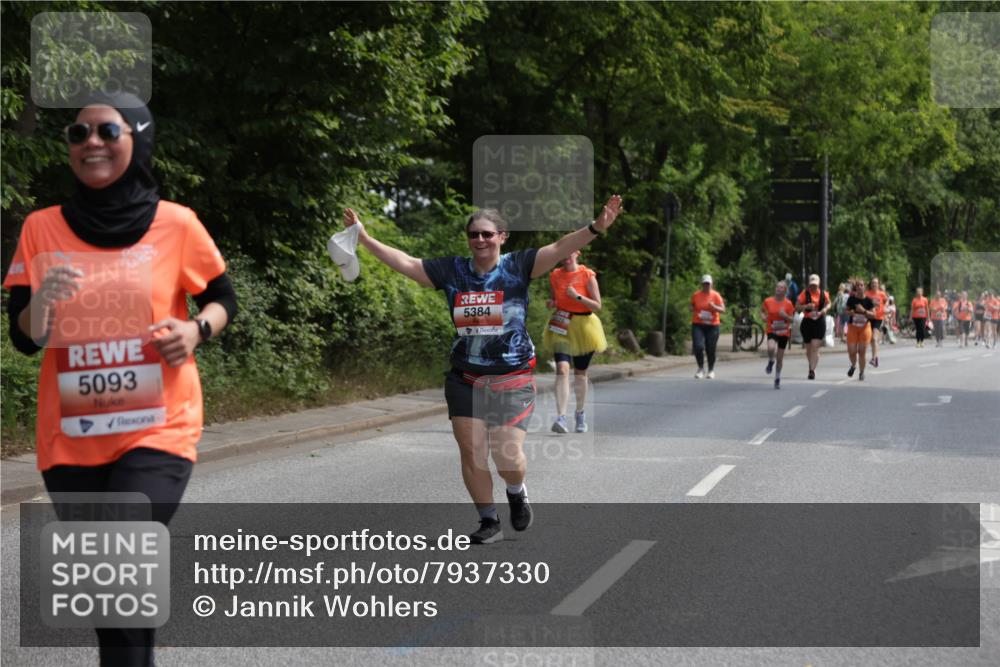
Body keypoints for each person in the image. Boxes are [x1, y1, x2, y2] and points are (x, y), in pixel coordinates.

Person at [3, 94, 237, 667]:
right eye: (78, 133)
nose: (91, 142)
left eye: (108, 129)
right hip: (71, 438)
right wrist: (45, 305)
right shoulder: (41, 229)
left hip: (158, 427)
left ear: (138, 139)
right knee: (112, 597)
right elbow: (23, 334)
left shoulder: (175, 224)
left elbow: (221, 298)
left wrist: (196, 329)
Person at [342, 195, 623, 544]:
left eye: (487, 234)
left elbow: (561, 246)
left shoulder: (519, 265)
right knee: (472, 452)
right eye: (474, 234)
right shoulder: (452, 270)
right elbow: (406, 263)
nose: (480, 240)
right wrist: (365, 239)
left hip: (513, 376)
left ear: (502, 236)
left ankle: (516, 491)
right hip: (466, 377)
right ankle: (488, 521)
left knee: (507, 456)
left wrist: (596, 227)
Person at [542, 250, 607, 434]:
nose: (566, 256)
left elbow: (597, 305)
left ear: (577, 253)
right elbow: (555, 298)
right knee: (562, 369)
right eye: (564, 252)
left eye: (570, 252)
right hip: (562, 324)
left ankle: (580, 413)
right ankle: (561, 418)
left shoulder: (587, 275)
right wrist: (552, 303)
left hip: (585, 326)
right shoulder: (555, 275)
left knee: (580, 373)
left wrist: (577, 296)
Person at [761, 280, 795, 389]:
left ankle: (777, 377)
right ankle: (771, 360)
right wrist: (763, 316)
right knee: (771, 348)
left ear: (785, 290)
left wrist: (785, 315)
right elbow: (762, 310)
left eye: (781, 288)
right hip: (772, 330)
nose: (778, 289)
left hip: (784, 332)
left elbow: (792, 319)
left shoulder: (788, 304)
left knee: (780, 358)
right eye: (777, 287)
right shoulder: (768, 301)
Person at [690, 274, 725, 379]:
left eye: (708, 284)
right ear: (702, 284)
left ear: (711, 284)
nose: (706, 286)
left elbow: (723, 310)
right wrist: (691, 308)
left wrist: (714, 306)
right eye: (705, 284)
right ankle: (700, 368)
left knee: (710, 348)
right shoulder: (696, 295)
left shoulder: (716, 295)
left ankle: (711, 369)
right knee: (698, 346)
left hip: (712, 325)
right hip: (698, 324)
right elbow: (691, 305)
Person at [796, 273, 830, 380]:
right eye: (811, 285)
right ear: (809, 284)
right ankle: (811, 365)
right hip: (807, 322)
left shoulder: (824, 294)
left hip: (819, 322)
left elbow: (829, 303)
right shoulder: (804, 294)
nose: (813, 287)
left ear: (818, 284)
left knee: (815, 345)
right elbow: (796, 307)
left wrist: (825, 309)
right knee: (809, 349)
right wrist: (806, 306)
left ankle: (812, 370)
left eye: (815, 285)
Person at [845, 278, 875, 381]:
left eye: (861, 285)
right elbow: (846, 311)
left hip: (865, 328)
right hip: (852, 327)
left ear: (864, 287)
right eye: (858, 285)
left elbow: (873, 315)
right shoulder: (851, 299)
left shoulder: (868, 301)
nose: (859, 287)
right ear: (855, 287)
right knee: (852, 351)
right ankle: (853, 365)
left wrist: (864, 311)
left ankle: (862, 372)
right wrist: (851, 313)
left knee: (862, 352)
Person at [865, 277, 888, 366]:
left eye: (876, 283)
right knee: (871, 339)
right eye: (873, 283)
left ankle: (874, 358)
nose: (874, 284)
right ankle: (875, 358)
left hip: (878, 318)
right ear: (871, 285)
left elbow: (885, 302)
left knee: (874, 338)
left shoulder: (882, 294)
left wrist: (883, 311)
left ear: (878, 284)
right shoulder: (867, 294)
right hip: (869, 318)